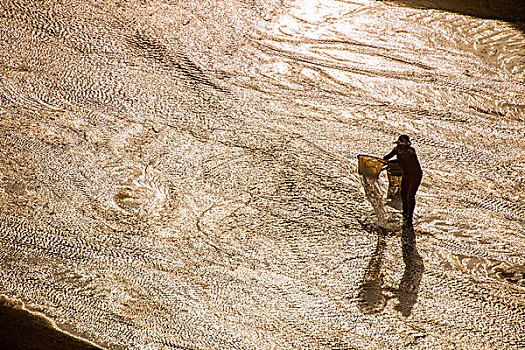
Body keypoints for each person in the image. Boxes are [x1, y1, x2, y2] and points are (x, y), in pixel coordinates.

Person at [383, 135, 422, 226]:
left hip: (415, 175)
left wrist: (391, 162)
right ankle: (405, 213)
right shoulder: (396, 150)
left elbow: (402, 161)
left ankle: (409, 217)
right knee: (403, 194)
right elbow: (387, 157)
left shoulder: (411, 151)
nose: (398, 146)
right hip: (406, 174)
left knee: (410, 195)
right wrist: (383, 161)